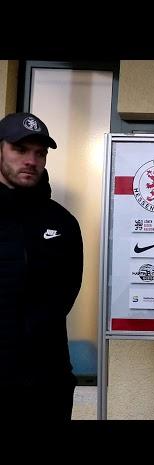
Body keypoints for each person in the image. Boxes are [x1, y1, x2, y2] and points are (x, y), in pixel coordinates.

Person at [0, 112, 83, 420]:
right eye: (20, 150)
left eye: (40, 153)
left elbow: (68, 292)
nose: (31, 160)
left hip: (47, 382)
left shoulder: (62, 222)